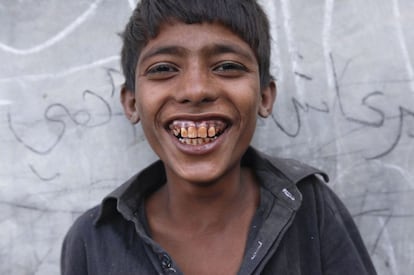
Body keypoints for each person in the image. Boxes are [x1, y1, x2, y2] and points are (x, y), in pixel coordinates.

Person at [61, 0, 377, 274]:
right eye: (163, 69)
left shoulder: (311, 210)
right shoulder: (94, 240)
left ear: (265, 97)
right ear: (132, 103)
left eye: (226, 66)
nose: (196, 90)